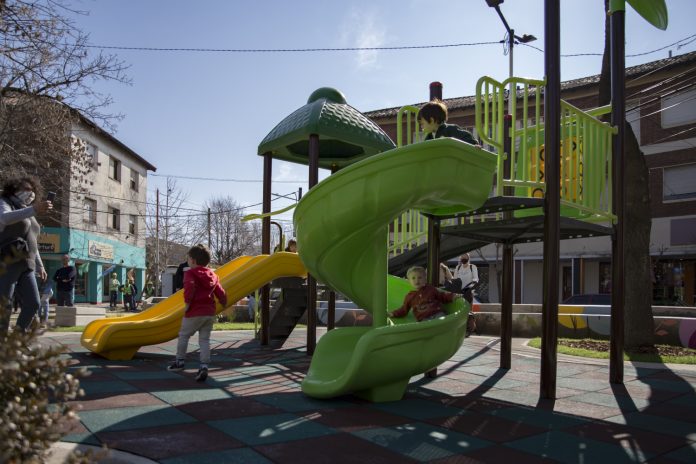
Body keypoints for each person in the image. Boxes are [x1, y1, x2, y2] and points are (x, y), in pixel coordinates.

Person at [0, 176, 52, 333]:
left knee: (33, 303)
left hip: (26, 264)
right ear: (15, 189)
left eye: (33, 191)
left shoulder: (27, 211)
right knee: (5, 304)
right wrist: (34, 209)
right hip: (8, 260)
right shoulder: (5, 202)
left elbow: (32, 242)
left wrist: (40, 265)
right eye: (26, 189)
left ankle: (18, 338)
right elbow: (4, 218)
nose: (31, 194)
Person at [168, 244, 227, 382]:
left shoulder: (190, 273)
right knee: (204, 340)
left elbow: (189, 288)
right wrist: (224, 303)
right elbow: (220, 292)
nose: (187, 261)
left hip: (194, 311)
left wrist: (187, 304)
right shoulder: (213, 275)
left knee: (183, 335)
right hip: (209, 313)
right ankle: (204, 366)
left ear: (193, 260)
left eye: (188, 258)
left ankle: (180, 361)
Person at [388, 266, 461, 322]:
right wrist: (394, 313)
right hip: (423, 319)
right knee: (424, 327)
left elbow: (442, 296)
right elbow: (404, 309)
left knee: (443, 320)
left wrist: (452, 296)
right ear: (409, 281)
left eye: (420, 277)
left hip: (437, 314)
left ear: (425, 279)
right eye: (413, 278)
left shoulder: (430, 289)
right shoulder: (410, 296)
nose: (417, 280)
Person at [453, 253, 479, 335]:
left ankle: (470, 329)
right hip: (459, 292)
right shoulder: (458, 267)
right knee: (459, 311)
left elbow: (476, 279)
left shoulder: (472, 267)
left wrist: (469, 288)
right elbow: (455, 280)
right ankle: (461, 329)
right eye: (462, 257)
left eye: (465, 257)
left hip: (468, 292)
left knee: (468, 311)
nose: (463, 258)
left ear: (468, 258)